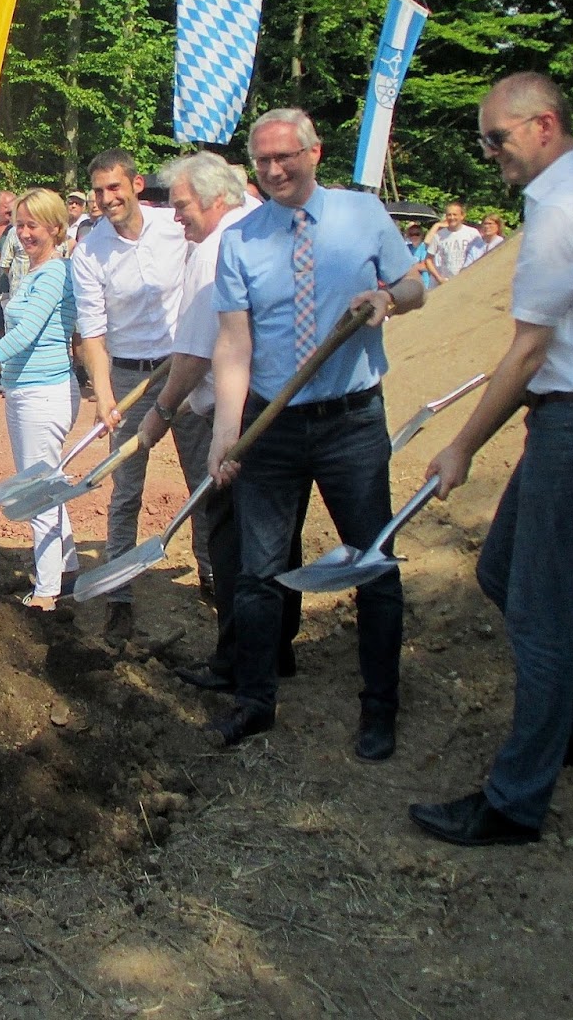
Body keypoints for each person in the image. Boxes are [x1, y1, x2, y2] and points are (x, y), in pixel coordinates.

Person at [409, 73, 573, 847]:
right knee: (501, 572)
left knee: (538, 611)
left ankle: (515, 801)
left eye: (497, 137)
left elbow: (526, 351)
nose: (489, 154)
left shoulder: (563, 211)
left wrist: (460, 446)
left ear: (544, 125)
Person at [207, 108, 425, 756]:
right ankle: (254, 700)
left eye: (286, 157)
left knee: (372, 562)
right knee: (258, 571)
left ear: (314, 152)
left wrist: (387, 300)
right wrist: (226, 433)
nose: (275, 170)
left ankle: (379, 705)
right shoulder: (241, 238)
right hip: (271, 425)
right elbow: (233, 342)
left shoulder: (362, 215)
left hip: (351, 422)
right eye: (263, 160)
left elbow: (415, 285)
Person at [136, 153, 308, 691]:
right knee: (281, 537)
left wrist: (160, 413)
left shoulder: (216, 249)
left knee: (236, 544)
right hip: (286, 408)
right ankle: (278, 649)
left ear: (214, 199)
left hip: (245, 417)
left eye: (181, 205)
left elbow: (195, 354)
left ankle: (237, 662)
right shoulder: (263, 223)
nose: (174, 216)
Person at [69, 148, 193, 643]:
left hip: (186, 368)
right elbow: (93, 334)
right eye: (99, 191)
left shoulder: (175, 228)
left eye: (114, 188)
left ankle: (212, 576)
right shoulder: (89, 252)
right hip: (126, 376)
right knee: (126, 489)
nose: (106, 199)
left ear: (136, 185)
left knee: (204, 474)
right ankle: (119, 593)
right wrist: (103, 396)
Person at [0, 188, 79, 608]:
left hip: (42, 393)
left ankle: (46, 592)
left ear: (56, 228)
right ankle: (67, 569)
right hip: (31, 390)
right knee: (49, 482)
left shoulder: (54, 273)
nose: (23, 233)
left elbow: (25, 335)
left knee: (37, 491)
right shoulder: (36, 271)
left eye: (32, 226)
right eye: (20, 224)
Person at [424, 201, 481, 283]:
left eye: (455, 214)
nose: (451, 217)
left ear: (462, 216)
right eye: (449, 215)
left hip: (469, 280)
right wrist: (439, 278)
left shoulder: (473, 233)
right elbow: (428, 260)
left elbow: (482, 255)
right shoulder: (439, 236)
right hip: (447, 282)